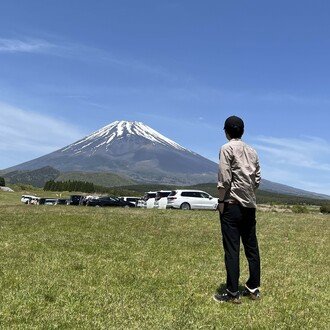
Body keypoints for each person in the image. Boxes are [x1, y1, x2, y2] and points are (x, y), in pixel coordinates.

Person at [213, 115, 261, 304]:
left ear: (226, 131)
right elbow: (257, 179)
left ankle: (232, 293)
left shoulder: (226, 148)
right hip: (249, 205)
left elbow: (225, 177)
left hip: (232, 204)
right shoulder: (253, 151)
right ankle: (253, 289)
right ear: (242, 131)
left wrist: (222, 199)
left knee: (232, 249)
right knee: (252, 249)